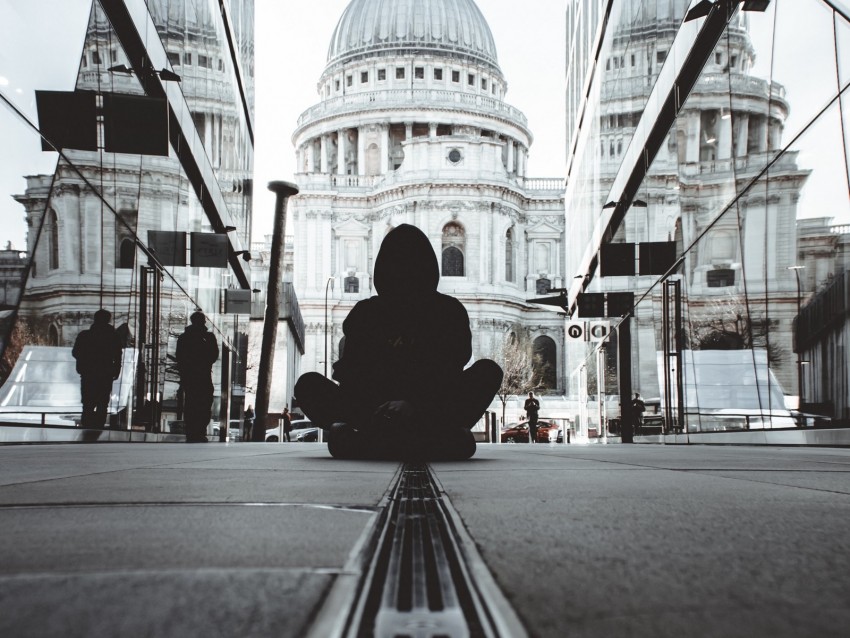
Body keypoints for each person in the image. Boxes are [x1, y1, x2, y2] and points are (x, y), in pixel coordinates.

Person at [295, 224, 503, 461]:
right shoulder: (448, 310)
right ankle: (436, 441)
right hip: (412, 415)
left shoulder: (369, 312)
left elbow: (350, 373)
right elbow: (449, 371)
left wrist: (411, 405)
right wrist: (398, 405)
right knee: (307, 384)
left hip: (395, 413)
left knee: (488, 371)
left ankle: (367, 443)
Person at [72, 309, 123, 429]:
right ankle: (98, 428)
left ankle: (87, 427)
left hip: (88, 374)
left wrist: (86, 361)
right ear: (108, 320)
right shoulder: (113, 336)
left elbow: (75, 352)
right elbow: (118, 355)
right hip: (105, 374)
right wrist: (116, 370)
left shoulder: (85, 335)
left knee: (88, 403)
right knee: (102, 403)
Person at [176, 312, 219, 443]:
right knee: (204, 403)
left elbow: (180, 357)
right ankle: (199, 431)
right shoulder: (208, 337)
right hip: (202, 375)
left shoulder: (184, 337)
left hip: (190, 376)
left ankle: (192, 431)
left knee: (191, 403)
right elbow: (214, 355)